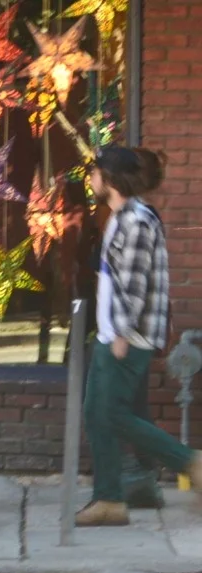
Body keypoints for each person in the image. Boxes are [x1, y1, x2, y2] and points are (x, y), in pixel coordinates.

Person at [76, 146, 202, 526]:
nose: (92, 178)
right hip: (114, 333)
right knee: (98, 415)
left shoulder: (135, 222)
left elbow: (134, 285)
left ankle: (190, 463)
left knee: (109, 413)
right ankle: (110, 500)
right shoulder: (122, 217)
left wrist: (121, 335)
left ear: (110, 179)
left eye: (96, 172)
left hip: (125, 337)